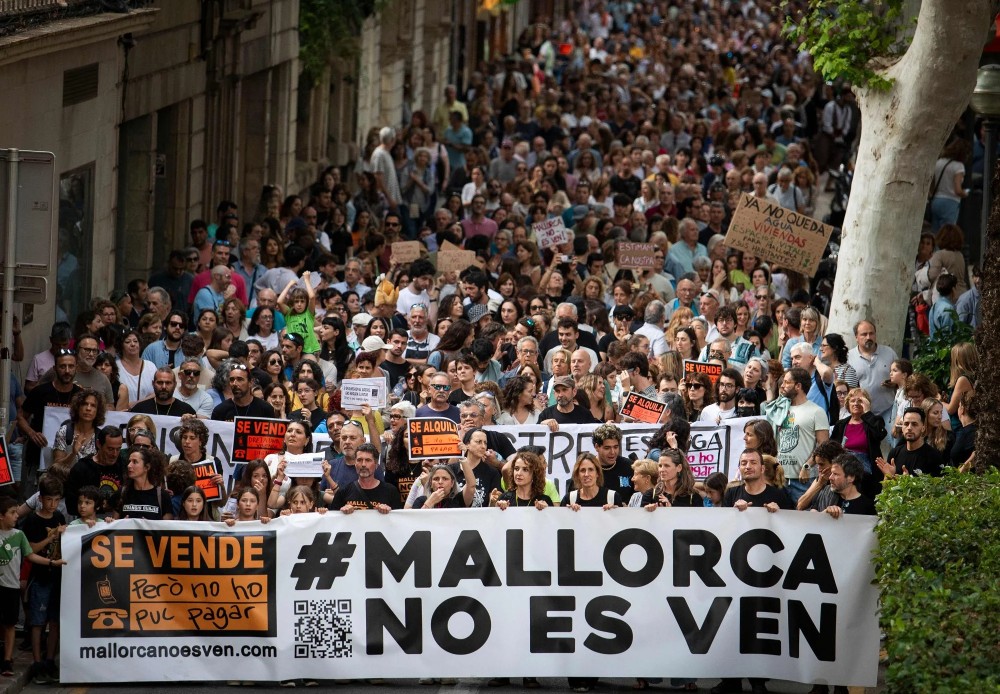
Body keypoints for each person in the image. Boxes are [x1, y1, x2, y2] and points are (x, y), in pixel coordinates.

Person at [0, 495, 67, 681]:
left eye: (16, 512)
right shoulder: (28, 523)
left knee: (11, 623)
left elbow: (31, 555)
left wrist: (52, 563)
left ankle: (7, 660)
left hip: (11, 586)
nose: (17, 516)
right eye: (13, 513)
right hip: (7, 584)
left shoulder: (19, 535)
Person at [17, 349, 82, 498]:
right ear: (54, 368)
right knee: (32, 496)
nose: (67, 371)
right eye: (62, 366)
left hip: (68, 456)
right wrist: (32, 433)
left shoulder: (80, 395)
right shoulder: (40, 391)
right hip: (38, 453)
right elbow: (20, 417)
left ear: (76, 368)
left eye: (71, 366)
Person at [769, 367, 830, 503]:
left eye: (786, 382)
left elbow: (824, 445)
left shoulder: (816, 411)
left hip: (804, 481)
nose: (782, 386)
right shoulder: (779, 410)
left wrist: (807, 466)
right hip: (779, 479)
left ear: (798, 386)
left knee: (804, 521)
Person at [831, 388, 887, 499]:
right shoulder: (841, 424)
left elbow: (879, 434)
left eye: (860, 400)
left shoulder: (874, 421)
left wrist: (867, 413)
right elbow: (832, 448)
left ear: (866, 403)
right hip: (843, 473)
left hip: (866, 475)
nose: (856, 403)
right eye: (853, 401)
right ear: (847, 404)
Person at [846, 320, 897, 434]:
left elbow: (902, 377)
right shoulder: (848, 358)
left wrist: (895, 383)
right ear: (856, 337)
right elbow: (845, 388)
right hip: (861, 412)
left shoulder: (889, 353)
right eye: (864, 334)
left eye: (871, 333)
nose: (868, 337)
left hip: (888, 409)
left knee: (894, 439)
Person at [330, 443, 401, 513]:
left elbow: (399, 520)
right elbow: (333, 519)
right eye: (359, 460)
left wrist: (389, 512)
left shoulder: (391, 491)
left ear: (376, 465)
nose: (363, 464)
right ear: (355, 464)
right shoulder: (343, 491)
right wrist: (342, 512)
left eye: (368, 460)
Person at [876, 407, 944, 478]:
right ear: (902, 427)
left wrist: (908, 482)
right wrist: (890, 477)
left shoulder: (934, 456)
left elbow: (938, 488)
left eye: (914, 424)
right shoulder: (894, 453)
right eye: (906, 424)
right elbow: (885, 488)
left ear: (923, 428)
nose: (909, 428)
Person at [50, 388, 105, 471]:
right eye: (84, 404)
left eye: (93, 405)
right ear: (77, 407)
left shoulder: (100, 436)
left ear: (98, 411)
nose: (88, 408)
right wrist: (73, 454)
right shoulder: (64, 431)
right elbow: (55, 467)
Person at [119, 448, 173, 520]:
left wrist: (149, 526)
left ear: (147, 467)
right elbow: (113, 525)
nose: (129, 465)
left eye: (134, 462)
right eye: (129, 461)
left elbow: (167, 527)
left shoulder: (162, 496)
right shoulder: (122, 493)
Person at [210, 362, 276, 421]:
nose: (234, 383)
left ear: (251, 382)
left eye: (240, 379)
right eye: (232, 380)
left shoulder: (265, 409)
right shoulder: (220, 411)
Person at [129, 367, 197, 417]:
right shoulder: (139, 410)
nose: (164, 387)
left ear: (175, 384)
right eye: (160, 382)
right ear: (153, 384)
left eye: (168, 383)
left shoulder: (186, 411)